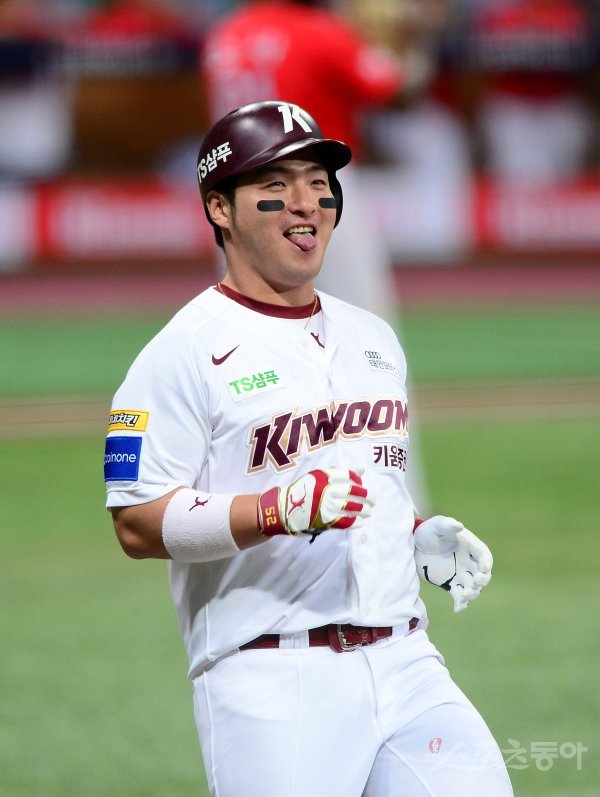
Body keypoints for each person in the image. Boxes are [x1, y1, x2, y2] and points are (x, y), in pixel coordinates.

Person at [104, 100, 513, 797]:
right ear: (220, 208)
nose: (306, 203)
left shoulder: (373, 338)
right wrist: (273, 510)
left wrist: (411, 531)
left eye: (318, 182)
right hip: (273, 681)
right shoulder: (179, 353)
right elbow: (137, 521)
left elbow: (356, 487)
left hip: (408, 661)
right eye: (277, 185)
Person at [200, 0, 436, 320]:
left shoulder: (226, 33)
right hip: (308, 182)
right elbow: (397, 92)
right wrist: (416, 39)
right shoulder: (318, 30)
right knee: (360, 314)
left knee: (249, 316)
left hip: (236, 188)